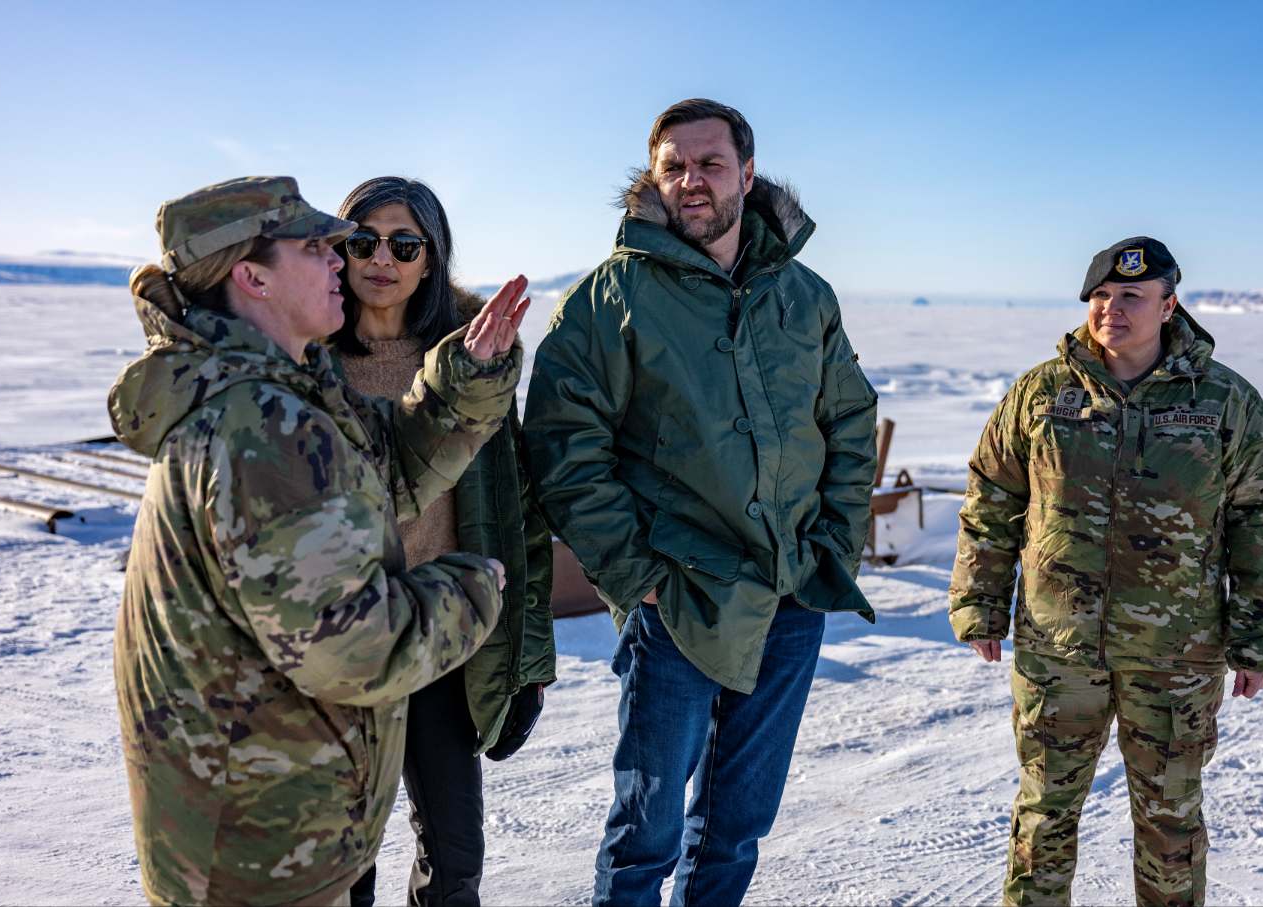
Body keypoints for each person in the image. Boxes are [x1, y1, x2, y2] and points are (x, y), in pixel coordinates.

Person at [109, 175, 532, 906]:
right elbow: (352, 648)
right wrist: (471, 590)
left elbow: (389, 466)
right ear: (253, 277)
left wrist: (462, 383)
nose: (345, 259)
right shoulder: (260, 427)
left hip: (273, 813)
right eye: (320, 246)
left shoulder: (281, 392)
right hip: (261, 844)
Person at [524, 98, 879, 907]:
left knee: (737, 826)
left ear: (747, 176)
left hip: (792, 590)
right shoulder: (609, 299)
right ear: (652, 180)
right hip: (679, 598)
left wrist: (835, 540)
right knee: (645, 834)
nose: (692, 181)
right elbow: (563, 445)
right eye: (674, 166)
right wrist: (633, 571)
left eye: (710, 164)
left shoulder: (804, 295)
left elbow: (849, 419)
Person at [948, 237, 1263, 906]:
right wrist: (979, 601)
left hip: (1177, 654)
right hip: (1059, 649)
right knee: (1043, 815)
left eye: (1132, 297)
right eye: (1101, 297)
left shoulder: (1224, 402)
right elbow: (992, 497)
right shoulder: (1041, 393)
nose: (1112, 309)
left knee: (1170, 824)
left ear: (1169, 305)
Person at [329, 176, 556, 907]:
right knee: (339, 864)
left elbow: (515, 511)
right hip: (340, 646)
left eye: (404, 243)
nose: (381, 259)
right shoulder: (309, 364)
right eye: (363, 240)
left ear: (431, 258)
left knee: (455, 857)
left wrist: (529, 659)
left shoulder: (472, 366)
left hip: (441, 636)